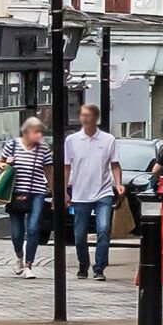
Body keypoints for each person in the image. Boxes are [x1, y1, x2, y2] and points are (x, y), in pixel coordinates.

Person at [61, 104, 121, 279]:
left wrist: (118, 183)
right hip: (80, 193)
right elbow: (66, 167)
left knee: (103, 228)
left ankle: (99, 268)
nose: (85, 119)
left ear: (96, 118)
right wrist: (64, 191)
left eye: (89, 115)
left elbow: (115, 164)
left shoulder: (108, 139)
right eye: (83, 115)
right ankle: (83, 264)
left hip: (103, 191)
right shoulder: (71, 140)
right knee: (79, 235)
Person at [4, 117, 57, 279]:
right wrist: (6, 163)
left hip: (37, 192)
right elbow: (0, 164)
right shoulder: (12, 145)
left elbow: (48, 172)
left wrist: (54, 193)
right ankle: (19, 256)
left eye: (40, 132)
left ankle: (28, 265)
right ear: (26, 132)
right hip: (15, 193)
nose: (39, 135)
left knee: (33, 228)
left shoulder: (44, 149)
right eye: (36, 132)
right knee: (17, 234)